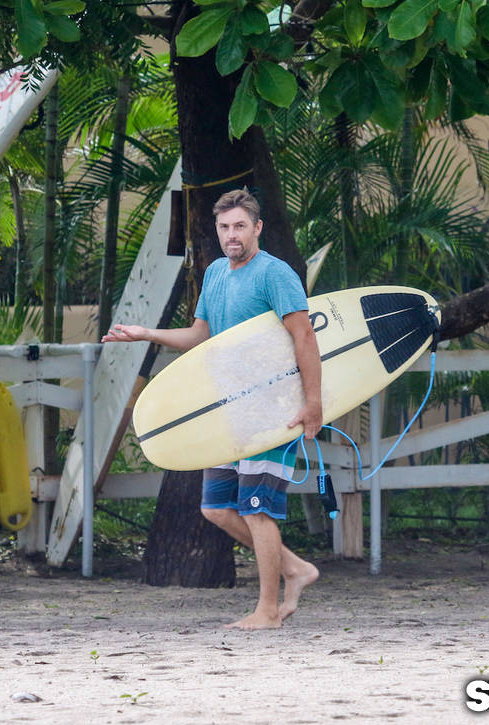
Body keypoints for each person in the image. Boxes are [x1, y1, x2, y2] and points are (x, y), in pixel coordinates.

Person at [102, 188, 322, 630]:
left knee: (257, 508)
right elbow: (201, 335)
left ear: (257, 228)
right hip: (228, 407)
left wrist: (313, 403)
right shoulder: (217, 273)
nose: (231, 235)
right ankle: (296, 569)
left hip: (271, 409)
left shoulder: (274, 274)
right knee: (217, 507)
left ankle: (267, 612)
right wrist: (147, 333)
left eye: (240, 226)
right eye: (224, 227)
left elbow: (305, 337)